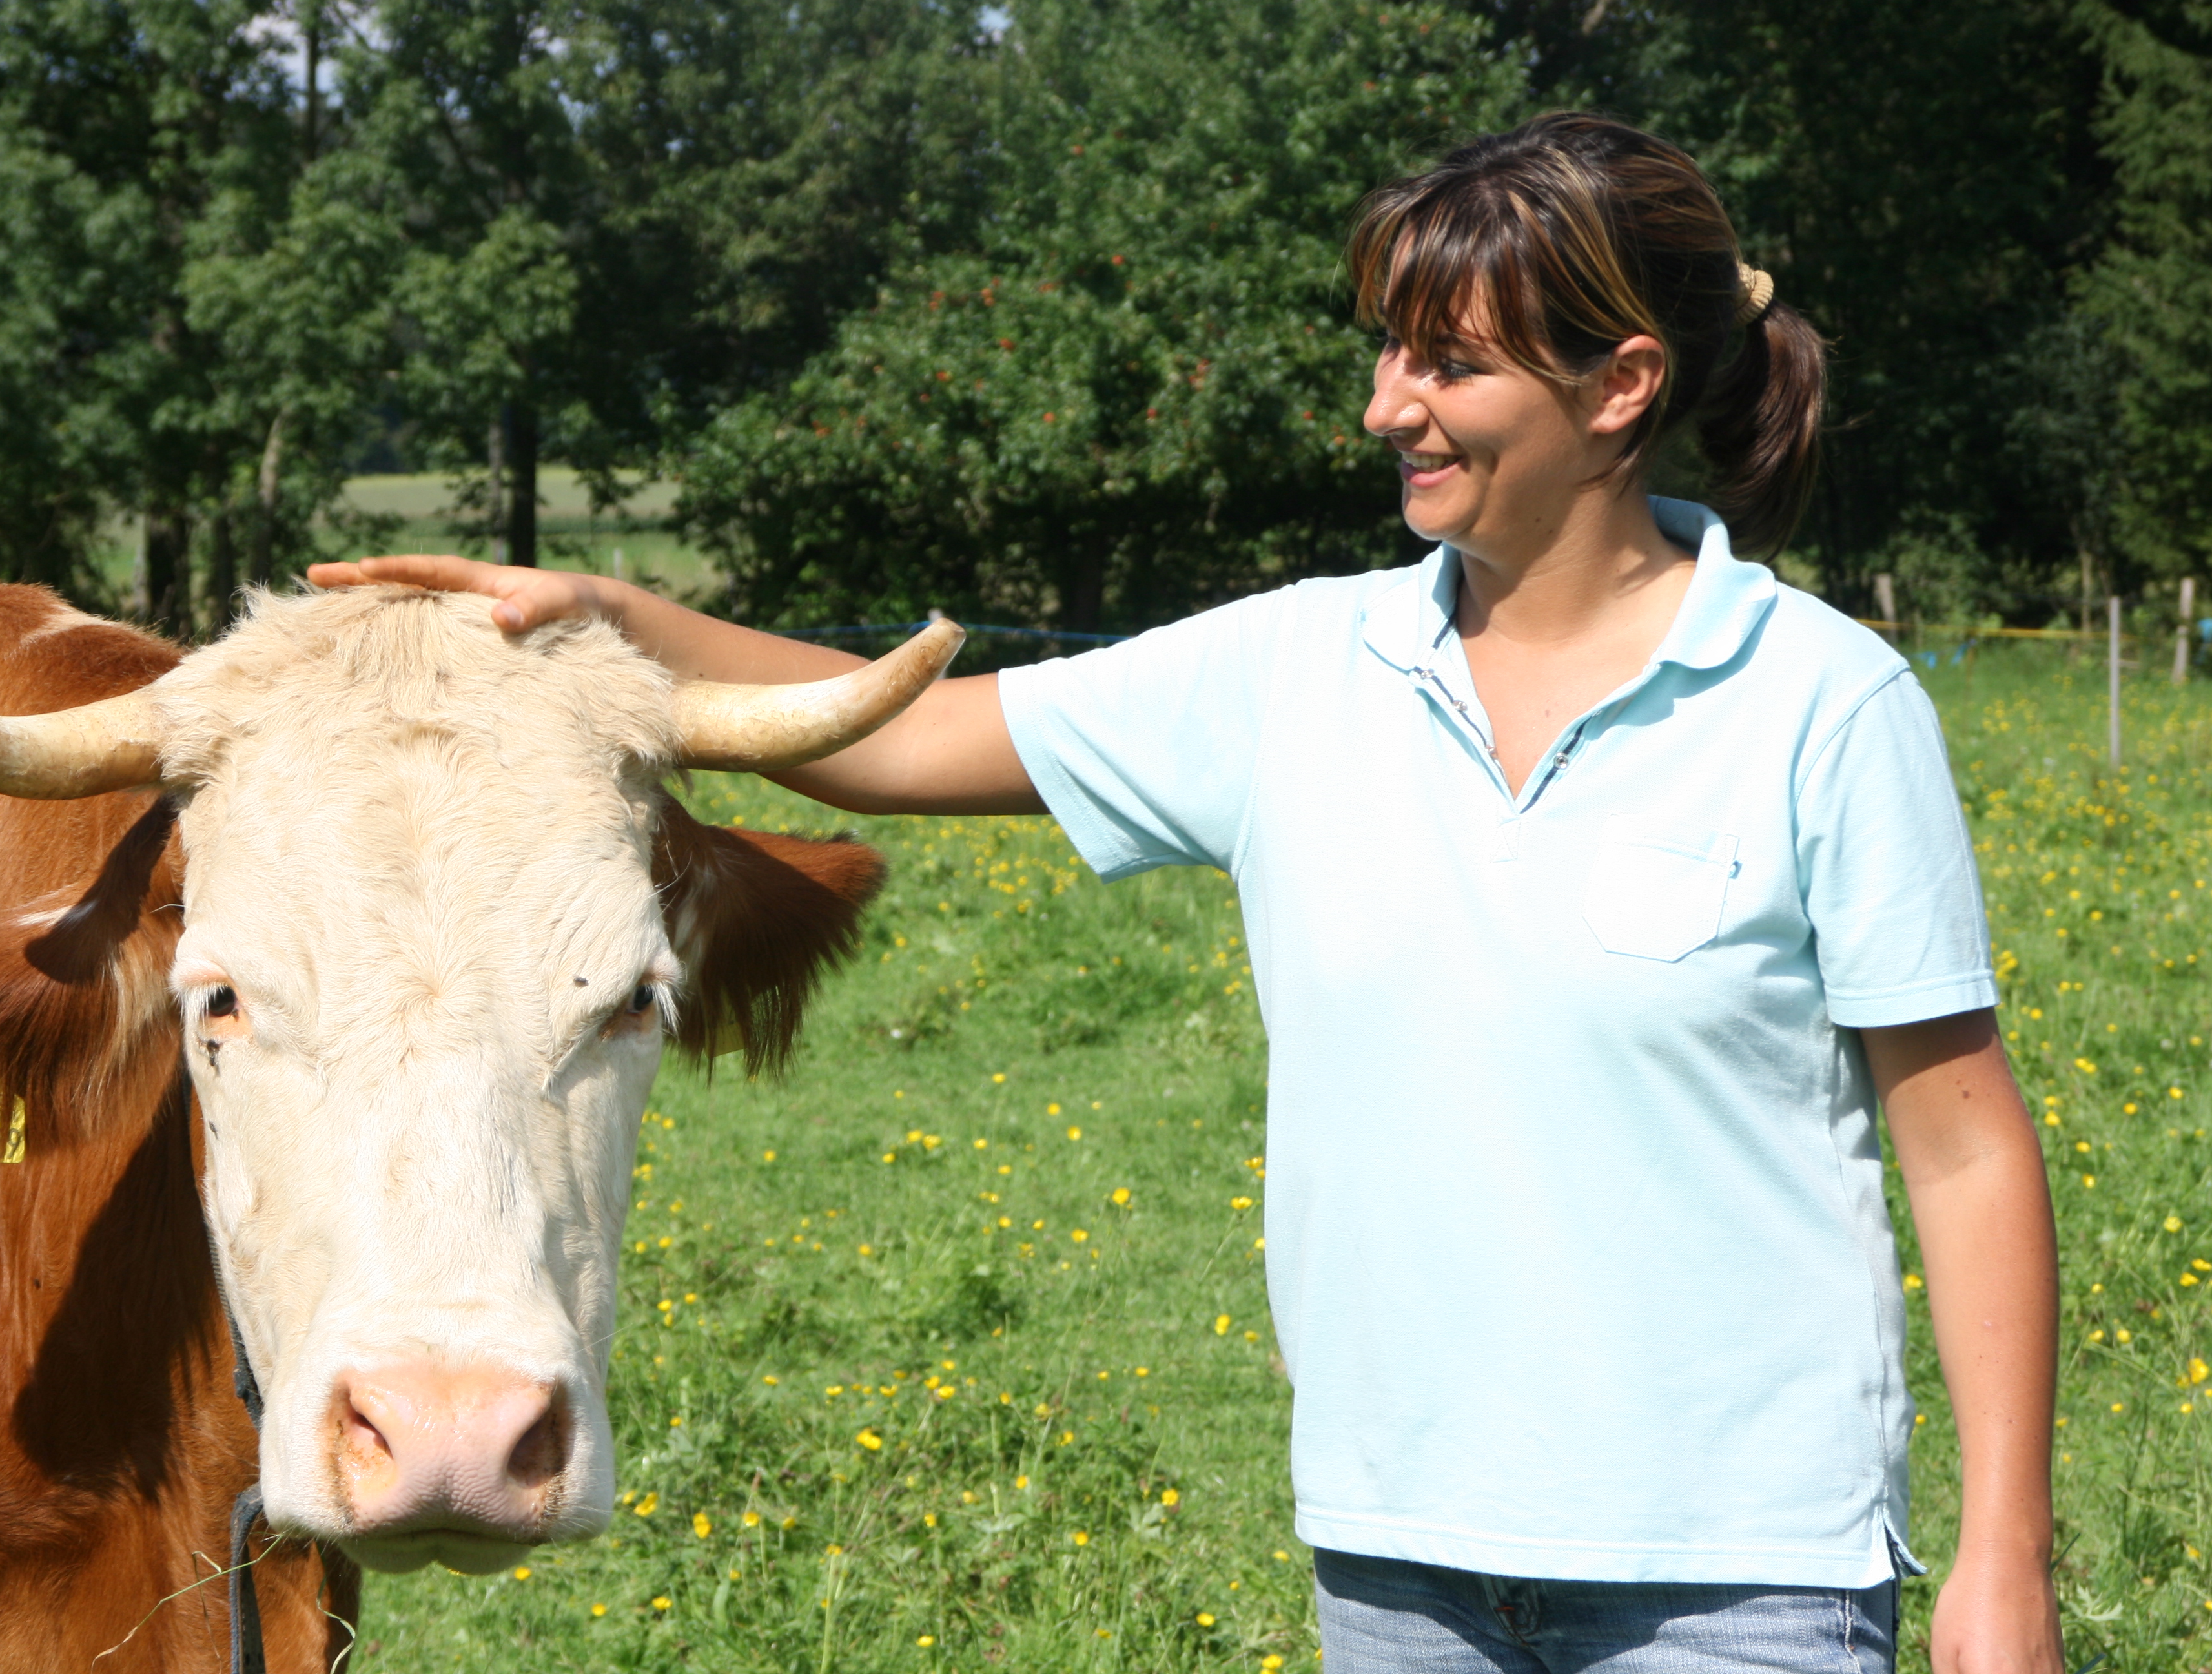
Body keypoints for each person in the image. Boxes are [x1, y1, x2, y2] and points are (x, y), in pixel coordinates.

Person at [312, 112, 2062, 1674]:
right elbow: (900, 739)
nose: (1386, 406)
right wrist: (610, 614)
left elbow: (1968, 1153)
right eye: (1389, 349)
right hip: (1403, 1566)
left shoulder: (1822, 706)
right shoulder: (1295, 674)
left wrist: (2006, 1556)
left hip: (1738, 1578)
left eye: (1449, 365)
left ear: (1619, 387)